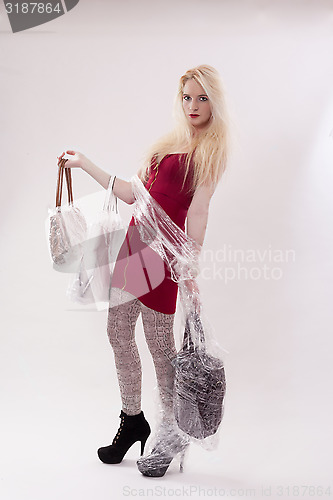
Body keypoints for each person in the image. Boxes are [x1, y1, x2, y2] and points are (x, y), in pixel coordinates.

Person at [57, 64, 230, 477]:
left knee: (160, 348)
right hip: (134, 248)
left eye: (202, 97)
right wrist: (86, 164)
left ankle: (171, 434)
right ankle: (132, 419)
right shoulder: (170, 142)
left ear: (214, 102)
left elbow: (200, 212)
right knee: (118, 334)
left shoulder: (210, 151)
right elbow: (134, 194)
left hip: (165, 258)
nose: (193, 105)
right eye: (187, 96)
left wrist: (190, 262)